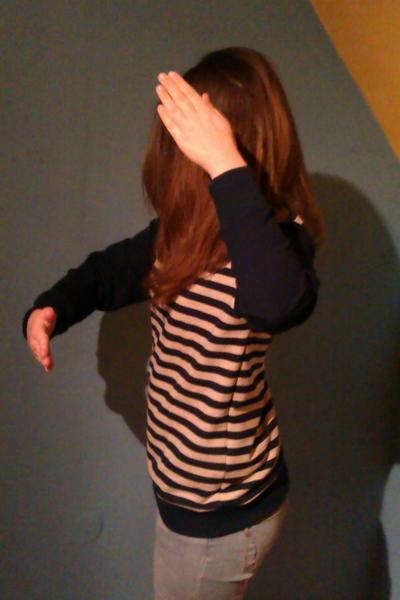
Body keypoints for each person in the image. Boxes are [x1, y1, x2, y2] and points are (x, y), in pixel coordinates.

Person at [22, 46, 324, 600]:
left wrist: (224, 164)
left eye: (193, 145)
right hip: (191, 496)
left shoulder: (274, 243)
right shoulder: (186, 232)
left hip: (220, 515)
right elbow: (111, 271)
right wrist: (52, 307)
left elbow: (279, 303)